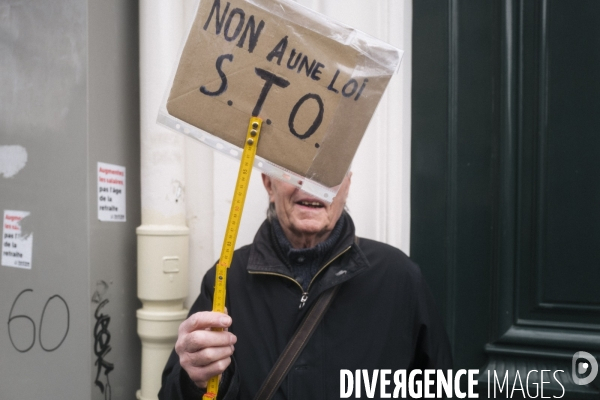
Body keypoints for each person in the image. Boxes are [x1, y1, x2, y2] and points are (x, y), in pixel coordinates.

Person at [159, 173, 452, 400]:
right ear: (268, 184)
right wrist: (193, 379)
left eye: (328, 171)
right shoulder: (227, 278)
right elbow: (174, 395)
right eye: (293, 169)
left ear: (347, 184)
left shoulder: (398, 277)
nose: (311, 186)